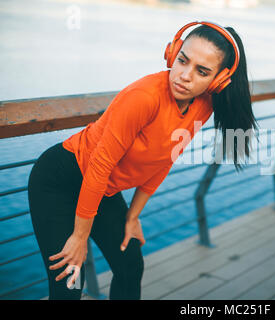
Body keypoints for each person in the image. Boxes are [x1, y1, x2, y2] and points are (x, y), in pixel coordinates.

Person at [27, 21, 258, 300]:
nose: (184, 76)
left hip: (101, 189)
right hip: (59, 180)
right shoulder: (143, 97)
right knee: (70, 281)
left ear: (218, 81)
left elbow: (165, 159)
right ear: (172, 54)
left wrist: (133, 216)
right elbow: (99, 166)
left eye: (202, 71)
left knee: (130, 265)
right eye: (182, 61)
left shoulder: (203, 105)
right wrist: (79, 237)